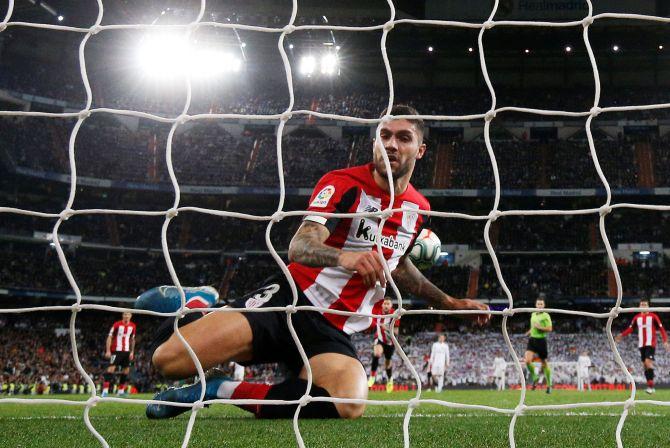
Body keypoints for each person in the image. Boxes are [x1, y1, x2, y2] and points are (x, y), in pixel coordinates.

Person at [138, 105, 490, 420]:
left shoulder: (419, 210)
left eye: (403, 137)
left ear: (420, 149)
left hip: (332, 330)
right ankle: (197, 305)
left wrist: (449, 303)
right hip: (290, 302)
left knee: (349, 403)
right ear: (374, 143)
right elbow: (301, 244)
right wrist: (345, 256)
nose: (391, 144)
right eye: (384, 135)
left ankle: (218, 389)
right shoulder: (343, 183)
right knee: (167, 363)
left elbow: (397, 265)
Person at [615, 298, 669, 394]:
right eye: (642, 305)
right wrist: (621, 335)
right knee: (644, 365)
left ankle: (651, 386)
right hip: (641, 345)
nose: (643, 306)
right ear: (639, 307)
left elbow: (661, 329)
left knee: (648, 363)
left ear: (648, 307)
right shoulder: (636, 318)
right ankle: (650, 386)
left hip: (650, 344)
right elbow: (630, 329)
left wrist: (665, 341)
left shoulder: (653, 316)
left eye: (645, 305)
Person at [367, 297, 400, 393]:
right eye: (384, 304)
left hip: (390, 342)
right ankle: (372, 376)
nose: (386, 306)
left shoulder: (395, 315)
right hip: (380, 339)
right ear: (382, 304)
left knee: (387, 364)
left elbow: (396, 332)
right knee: (377, 353)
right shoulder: (377, 311)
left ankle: (390, 380)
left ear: (391, 305)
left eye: (388, 304)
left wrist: (386, 328)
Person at [103, 312, 136, 397]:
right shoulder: (117, 324)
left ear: (131, 316)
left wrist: (132, 352)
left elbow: (132, 339)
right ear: (122, 315)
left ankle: (120, 391)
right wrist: (108, 351)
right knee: (111, 369)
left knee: (126, 370)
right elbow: (109, 337)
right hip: (116, 351)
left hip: (126, 352)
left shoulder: (133, 326)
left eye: (128, 314)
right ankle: (105, 391)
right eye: (125, 314)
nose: (126, 316)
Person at [524, 295, 552, 393]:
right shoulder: (533, 314)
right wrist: (529, 332)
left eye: (541, 304)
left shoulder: (546, 315)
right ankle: (535, 378)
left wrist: (540, 327)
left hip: (541, 341)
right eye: (538, 304)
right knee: (527, 361)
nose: (539, 305)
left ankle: (549, 385)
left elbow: (549, 328)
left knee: (544, 363)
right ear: (536, 305)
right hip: (532, 340)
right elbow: (533, 326)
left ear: (544, 305)